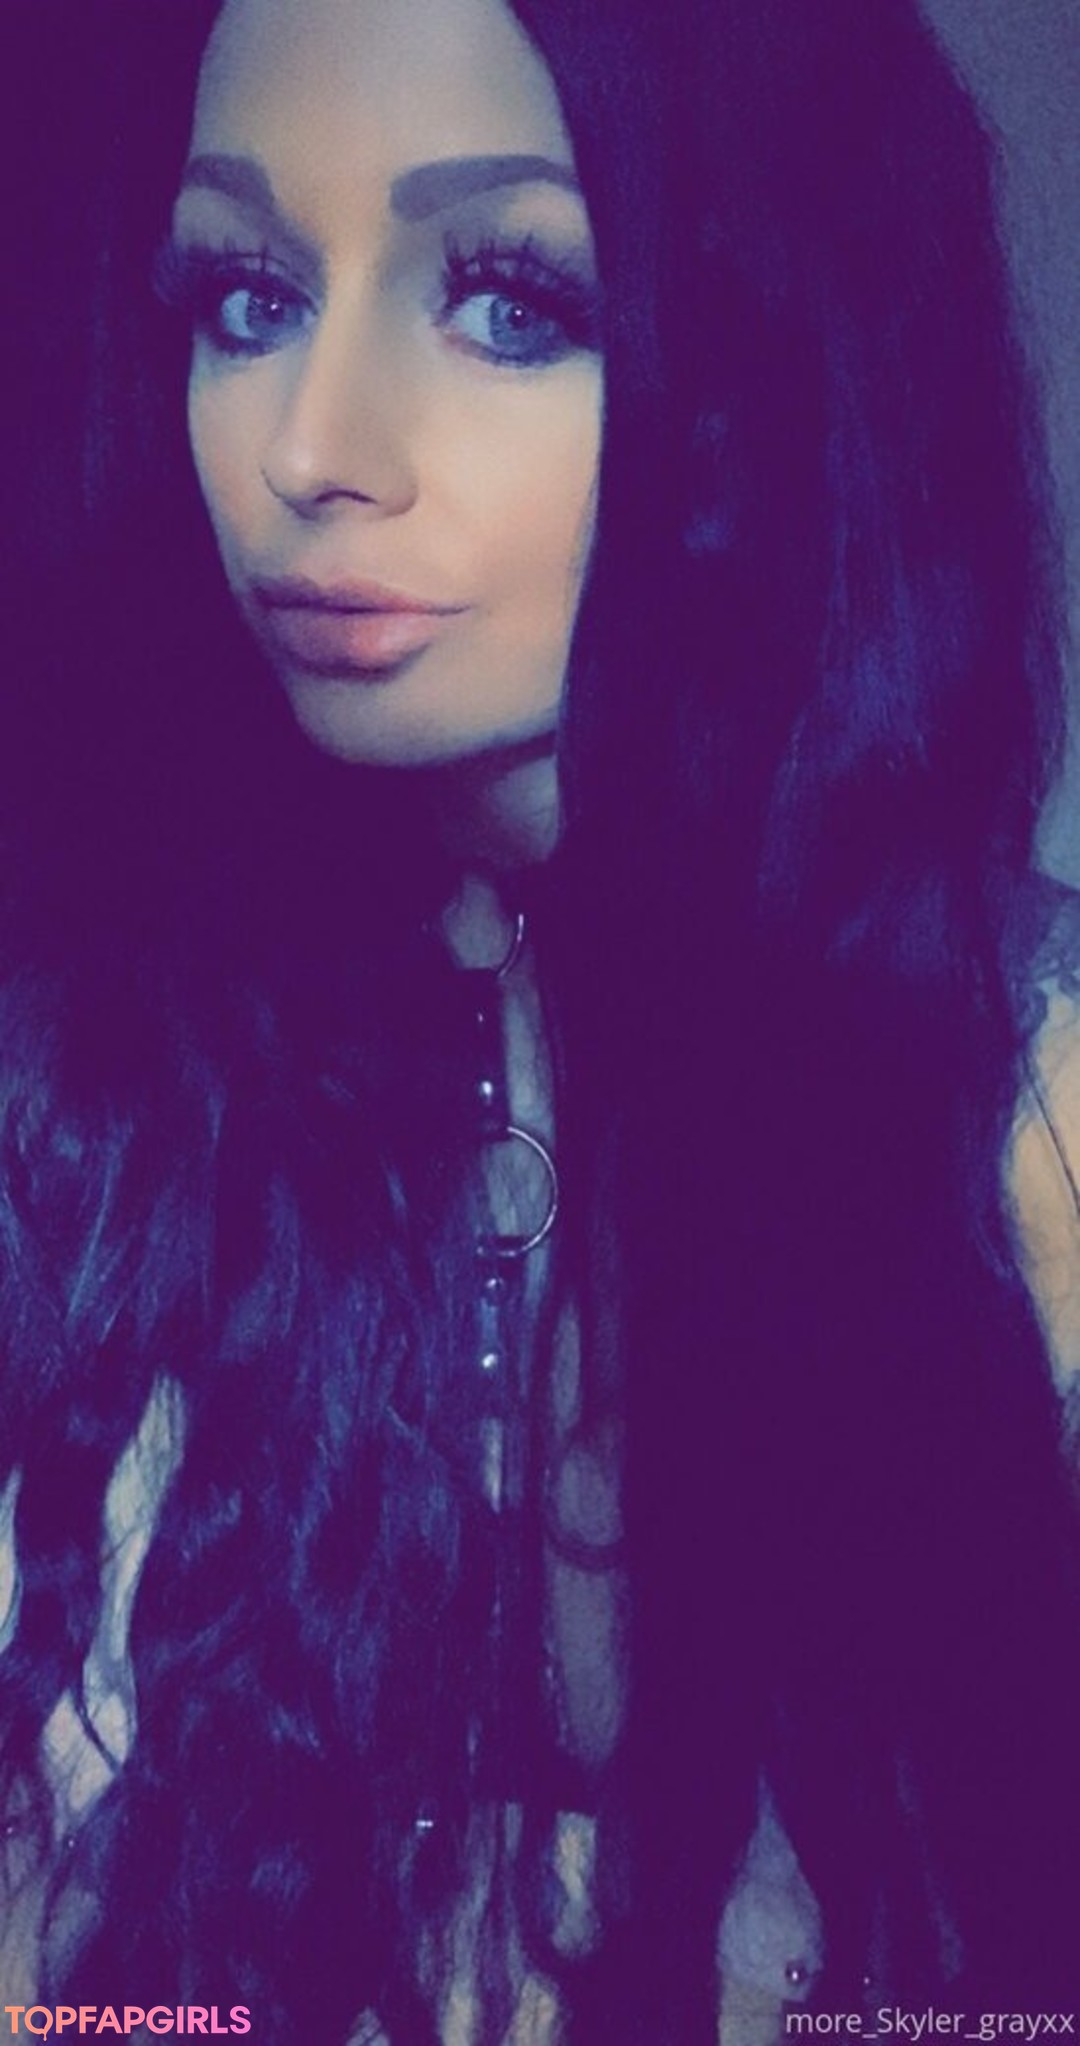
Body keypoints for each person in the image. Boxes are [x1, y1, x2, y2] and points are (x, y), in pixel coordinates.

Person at [2, 0, 1080, 2039]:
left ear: (781, 362)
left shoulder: (1030, 1112)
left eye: (508, 300)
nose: (308, 449)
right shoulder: (104, 1079)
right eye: (245, 296)